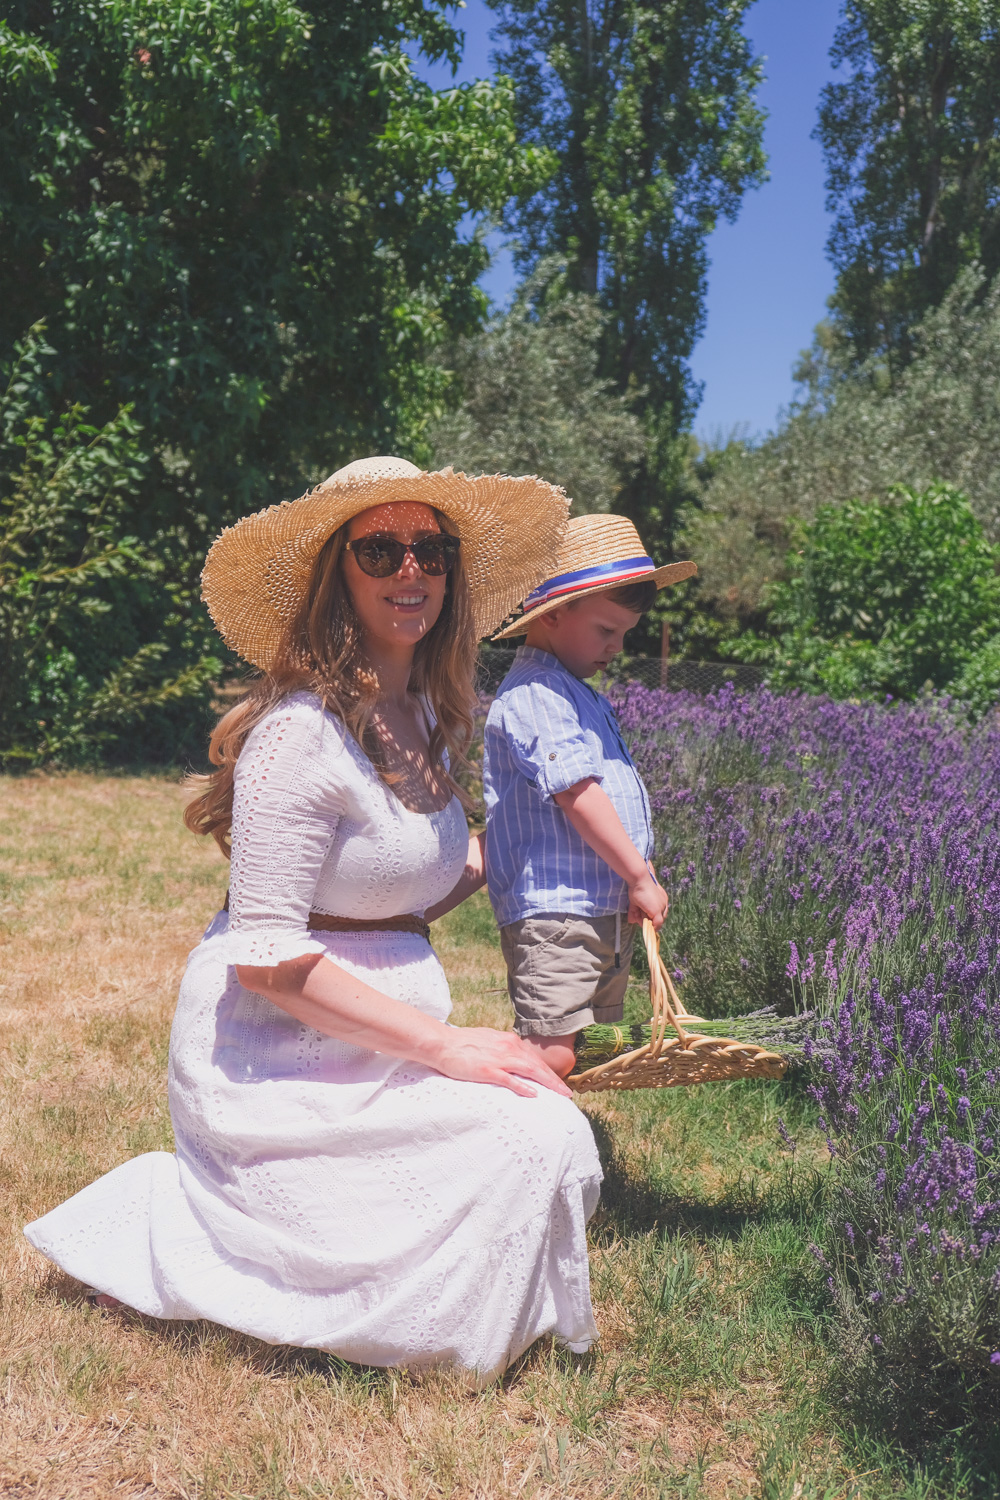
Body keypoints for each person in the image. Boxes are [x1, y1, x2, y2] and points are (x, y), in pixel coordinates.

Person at [25, 456, 605, 1377]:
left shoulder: (425, 711)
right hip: (272, 1057)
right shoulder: (299, 732)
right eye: (380, 549)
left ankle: (308, 1249)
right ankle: (182, 1224)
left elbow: (399, 886)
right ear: (338, 573)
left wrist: (536, 855)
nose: (410, 570)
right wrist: (447, 1049)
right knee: (535, 1137)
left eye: (431, 549)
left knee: (550, 1132)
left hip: (383, 1042)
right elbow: (266, 959)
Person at [483, 513, 697, 1079]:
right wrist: (638, 874)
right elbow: (578, 794)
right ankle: (510, 1136)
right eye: (606, 631)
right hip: (557, 911)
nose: (617, 647)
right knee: (550, 1048)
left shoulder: (572, 690)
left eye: (624, 634)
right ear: (553, 615)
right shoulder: (537, 692)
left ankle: (561, 1148)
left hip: (596, 906)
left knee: (587, 1041)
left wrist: (631, 873)